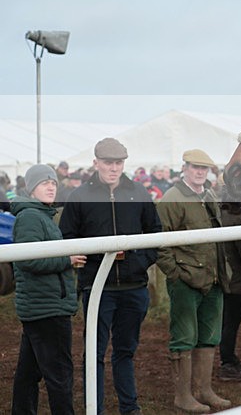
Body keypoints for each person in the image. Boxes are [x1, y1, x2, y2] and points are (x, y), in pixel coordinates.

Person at [59, 138, 161, 415]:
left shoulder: (139, 192)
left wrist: (141, 261)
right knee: (94, 352)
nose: (113, 168)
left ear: (124, 163)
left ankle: (130, 407)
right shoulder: (80, 196)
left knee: (125, 351)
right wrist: (74, 254)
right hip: (96, 287)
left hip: (134, 286)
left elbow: (155, 233)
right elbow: (67, 235)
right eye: (108, 162)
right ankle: (96, 408)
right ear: (96, 163)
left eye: (118, 163)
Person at [156, 149, 230, 412]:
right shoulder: (172, 200)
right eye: (195, 167)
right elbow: (159, 242)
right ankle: (183, 396)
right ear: (184, 168)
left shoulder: (208, 196)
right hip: (187, 279)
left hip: (212, 277)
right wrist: (176, 273)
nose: (200, 172)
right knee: (184, 337)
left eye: (204, 168)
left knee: (209, 336)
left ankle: (203, 390)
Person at [11, 164, 86, 415]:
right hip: (47, 308)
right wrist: (68, 259)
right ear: (32, 189)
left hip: (43, 305)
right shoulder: (31, 217)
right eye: (44, 183)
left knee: (28, 374)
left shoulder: (41, 215)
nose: (51, 186)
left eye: (53, 182)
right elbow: (28, 259)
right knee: (60, 375)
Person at [216, 196, 241, 382]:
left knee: (226, 323)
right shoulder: (237, 219)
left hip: (224, 276)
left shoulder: (219, 215)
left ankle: (227, 359)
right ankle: (228, 362)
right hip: (237, 279)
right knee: (231, 324)